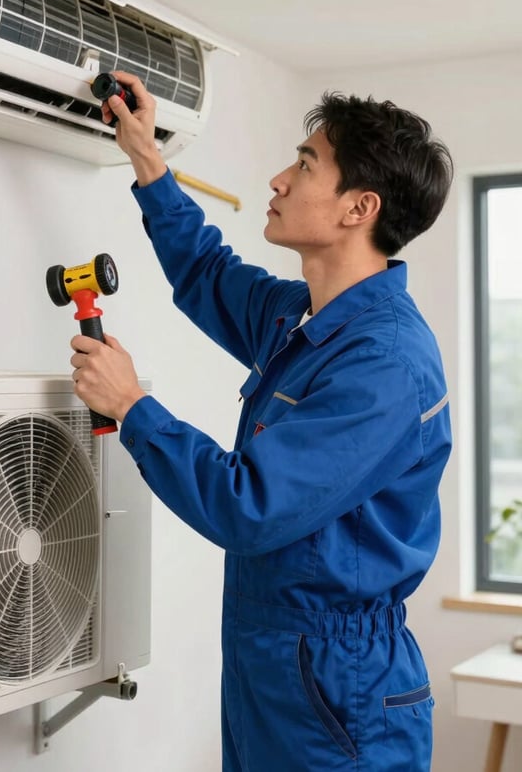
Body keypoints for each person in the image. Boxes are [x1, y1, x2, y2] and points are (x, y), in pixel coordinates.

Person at [70, 71, 453, 772]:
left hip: (340, 689)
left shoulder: (383, 364)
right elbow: (207, 273)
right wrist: (148, 160)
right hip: (272, 659)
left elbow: (248, 506)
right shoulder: (303, 317)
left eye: (306, 164)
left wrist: (131, 407)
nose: (277, 180)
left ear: (357, 208)